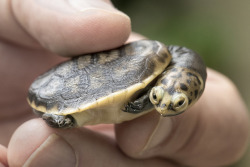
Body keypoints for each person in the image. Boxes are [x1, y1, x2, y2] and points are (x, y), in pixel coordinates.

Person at [0, 1, 249, 166]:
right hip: (57, 90)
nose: (163, 107)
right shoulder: (154, 56)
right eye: (161, 97)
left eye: (177, 103)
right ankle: (65, 117)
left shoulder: (163, 63)